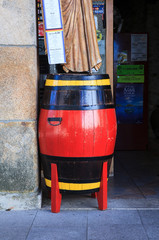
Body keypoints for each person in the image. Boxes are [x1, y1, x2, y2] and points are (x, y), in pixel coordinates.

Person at [61, 0, 102, 73]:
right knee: (69, 33)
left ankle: (86, 61)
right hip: (68, 8)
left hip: (82, 8)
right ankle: (69, 62)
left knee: (83, 27)